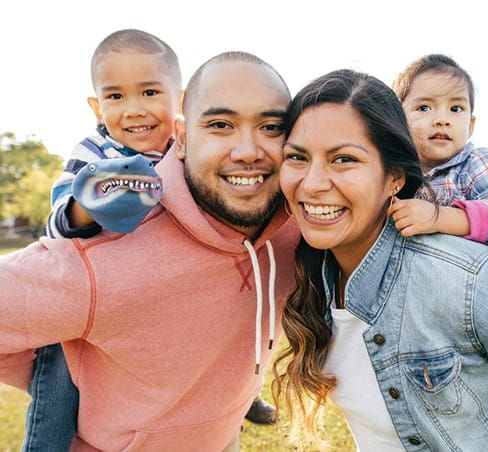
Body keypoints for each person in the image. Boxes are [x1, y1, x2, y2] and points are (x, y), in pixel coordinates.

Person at [0, 51, 299, 451]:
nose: (247, 150)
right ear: (183, 137)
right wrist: (74, 372)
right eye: (220, 125)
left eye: (271, 126)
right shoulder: (104, 255)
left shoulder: (297, 228)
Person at [273, 69, 488, 451]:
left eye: (344, 159)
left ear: (395, 178)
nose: (313, 183)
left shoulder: (465, 279)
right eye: (297, 157)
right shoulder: (315, 275)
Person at [24, 28, 182, 452]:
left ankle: (242, 402)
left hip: (153, 297)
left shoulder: (186, 147)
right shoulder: (94, 151)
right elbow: (55, 225)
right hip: (79, 302)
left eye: (149, 92)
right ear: (97, 106)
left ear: (181, 99)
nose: (133, 110)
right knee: (58, 385)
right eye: (115, 97)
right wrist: (88, 203)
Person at [390, 54, 488, 267]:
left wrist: (438, 217)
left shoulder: (476, 163)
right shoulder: (397, 177)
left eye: (455, 109)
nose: (442, 120)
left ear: (470, 125)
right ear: (397, 121)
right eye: (424, 108)